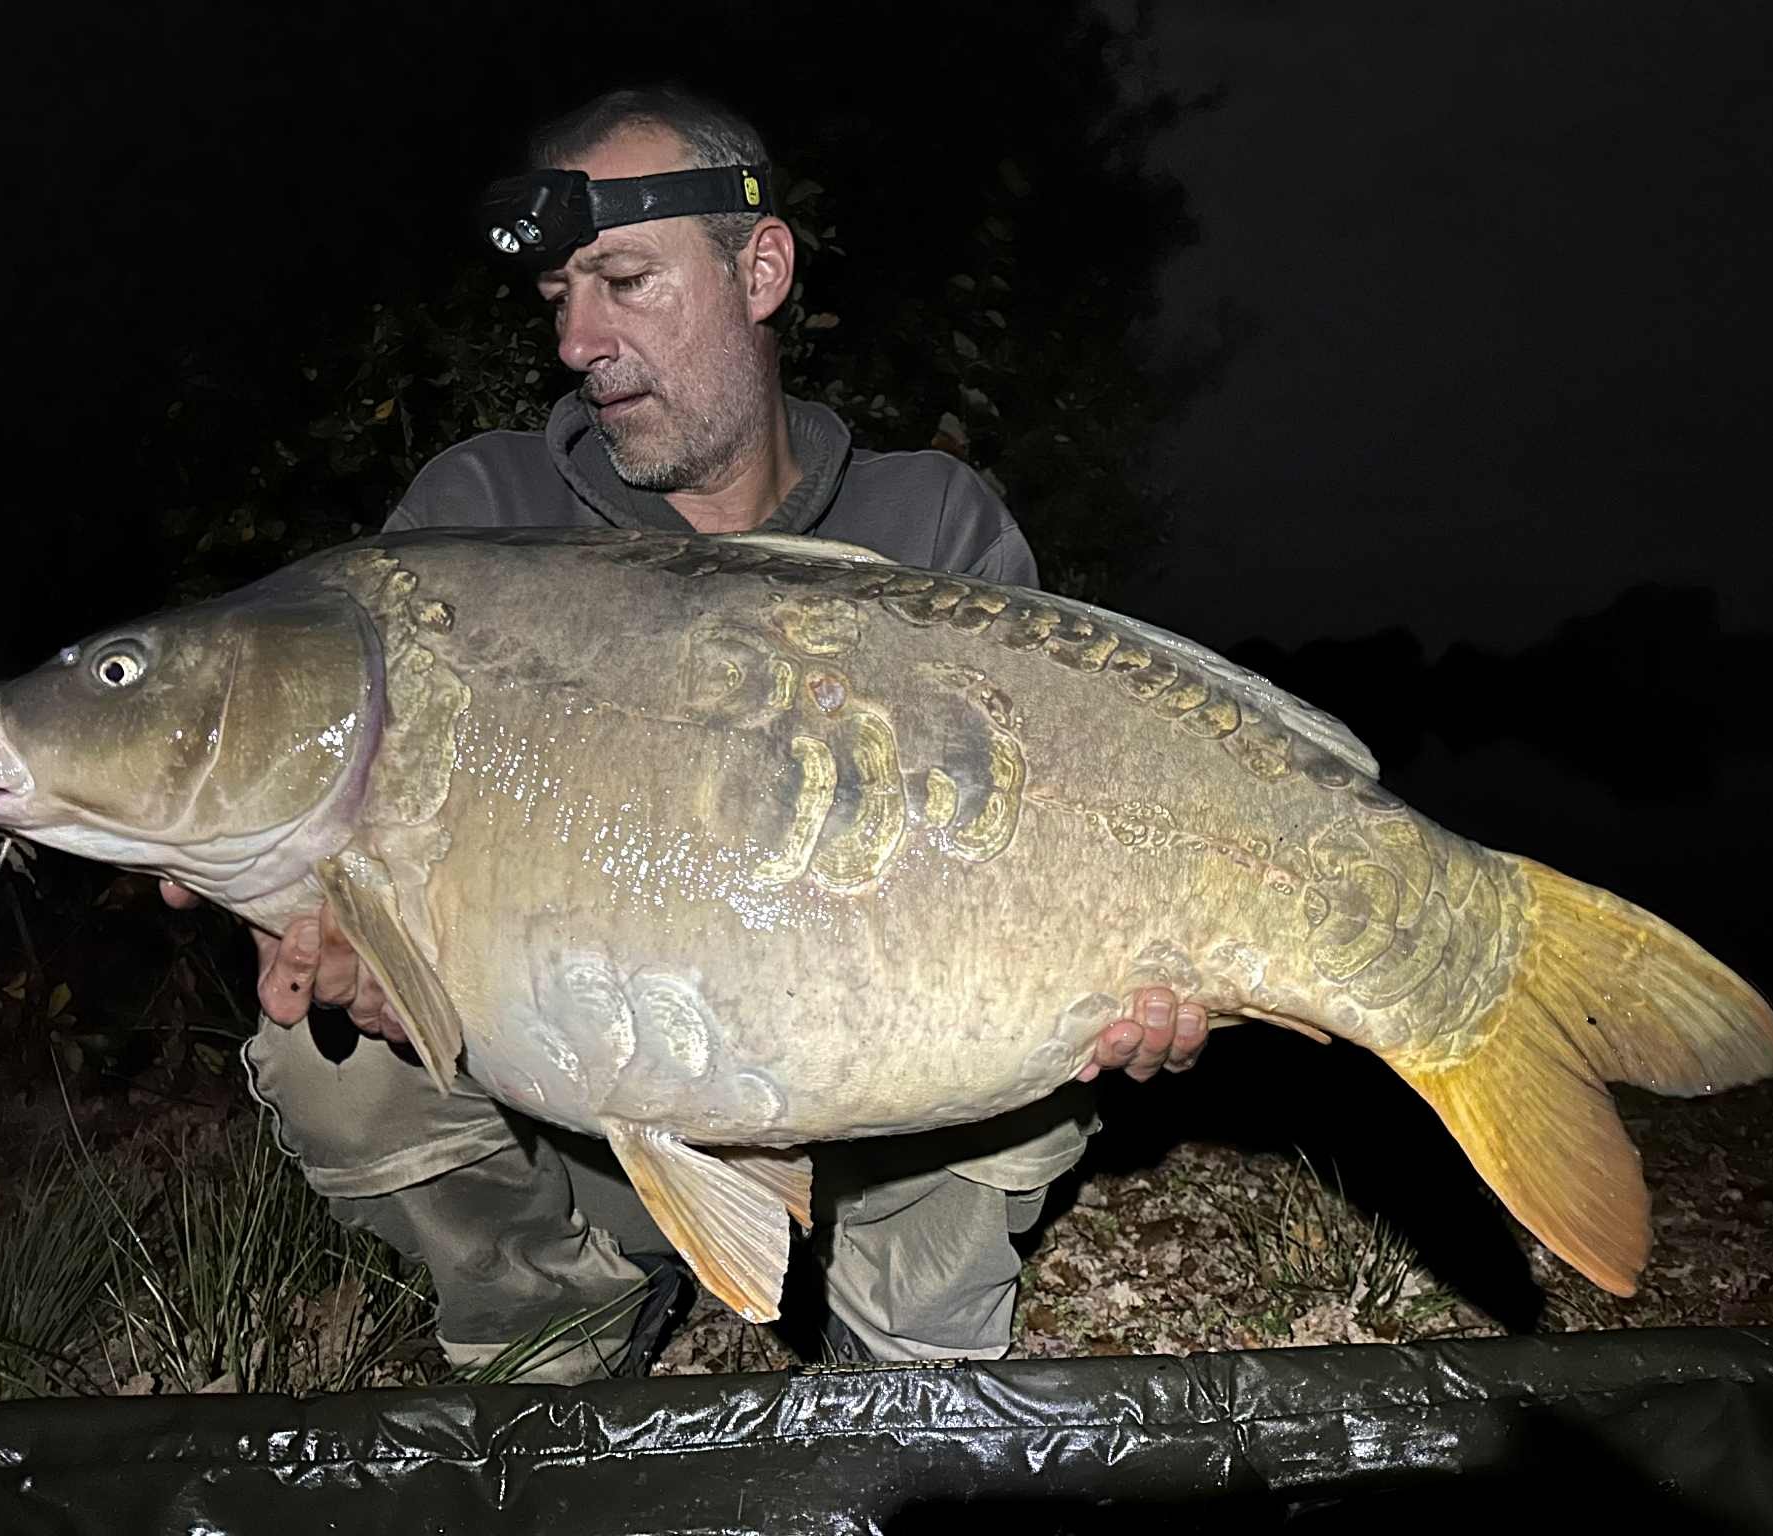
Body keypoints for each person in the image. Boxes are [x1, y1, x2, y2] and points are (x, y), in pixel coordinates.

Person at [165, 86, 1209, 1381]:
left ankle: (905, 1335)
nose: (577, 340)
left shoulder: (931, 528)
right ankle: (562, 1327)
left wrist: (1139, 963)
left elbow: (1057, 822)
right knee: (328, 1057)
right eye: (559, 297)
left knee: (1036, 1012)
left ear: (759, 271)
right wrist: (327, 919)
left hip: (883, 1108)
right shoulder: (480, 520)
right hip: (580, 1118)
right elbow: (361, 809)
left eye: (624, 281)